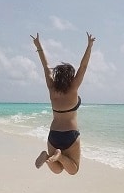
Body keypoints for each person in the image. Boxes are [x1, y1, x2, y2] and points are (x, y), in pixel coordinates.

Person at [31, 31, 95, 175]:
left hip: (54, 134)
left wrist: (38, 45)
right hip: (70, 134)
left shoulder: (52, 88)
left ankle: (48, 156)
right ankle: (58, 156)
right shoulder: (73, 88)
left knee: (57, 170)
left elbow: (45, 67)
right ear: (70, 77)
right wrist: (89, 46)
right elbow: (83, 67)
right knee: (73, 170)